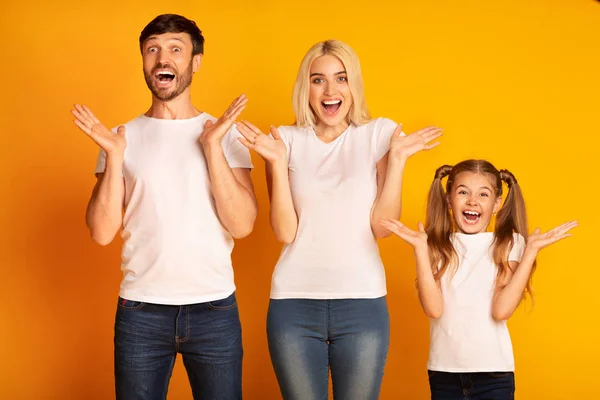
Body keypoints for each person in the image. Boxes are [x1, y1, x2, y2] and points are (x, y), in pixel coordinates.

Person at [236, 39, 442, 400]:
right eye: (318, 80)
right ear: (306, 87)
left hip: (362, 303)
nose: (330, 90)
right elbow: (285, 231)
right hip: (293, 305)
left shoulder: (378, 134)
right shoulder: (284, 140)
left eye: (341, 78)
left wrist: (396, 161)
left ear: (354, 85)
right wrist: (275, 164)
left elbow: (382, 226)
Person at [71, 14, 257, 400]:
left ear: (196, 61)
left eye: (175, 48)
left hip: (214, 309)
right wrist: (114, 157)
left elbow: (242, 224)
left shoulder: (223, 134)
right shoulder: (121, 137)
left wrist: (212, 148)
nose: (162, 58)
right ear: (143, 61)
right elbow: (102, 232)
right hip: (141, 312)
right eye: (152, 49)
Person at [380, 159, 577, 400]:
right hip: (444, 373)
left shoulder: (510, 244)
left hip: (494, 375)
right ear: (449, 199)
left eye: (483, 194)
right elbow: (433, 309)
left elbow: (501, 310)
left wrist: (531, 251)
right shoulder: (435, 246)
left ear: (496, 204)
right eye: (463, 192)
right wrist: (421, 250)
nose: (472, 201)